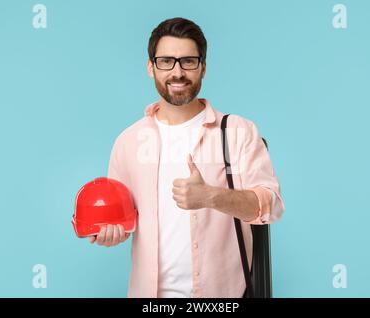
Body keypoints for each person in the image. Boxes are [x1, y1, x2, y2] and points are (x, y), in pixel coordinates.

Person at [89, 17, 285, 298]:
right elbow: (122, 221)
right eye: (166, 61)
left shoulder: (238, 132)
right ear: (150, 67)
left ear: (203, 67)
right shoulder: (127, 142)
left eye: (188, 61)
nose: (177, 72)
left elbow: (272, 206)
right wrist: (110, 232)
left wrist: (210, 197)